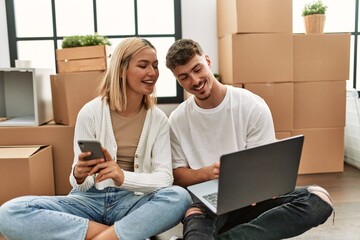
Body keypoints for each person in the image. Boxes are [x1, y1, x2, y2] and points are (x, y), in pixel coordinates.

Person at [0, 37, 191, 240]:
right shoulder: (90, 112)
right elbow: (80, 185)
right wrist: (79, 174)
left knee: (180, 197)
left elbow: (164, 179)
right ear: (121, 70)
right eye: (143, 66)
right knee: (9, 212)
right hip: (88, 200)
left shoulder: (158, 119)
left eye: (155, 65)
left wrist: (122, 176)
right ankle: (121, 235)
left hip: (132, 201)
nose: (152, 73)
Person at [165, 38, 334, 240]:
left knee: (319, 200)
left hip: (254, 200)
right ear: (177, 80)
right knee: (195, 213)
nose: (194, 80)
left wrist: (258, 189)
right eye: (183, 77)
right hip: (207, 204)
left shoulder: (251, 104)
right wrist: (207, 173)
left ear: (208, 61)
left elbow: (265, 165)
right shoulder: (177, 119)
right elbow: (177, 175)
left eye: (197, 69)